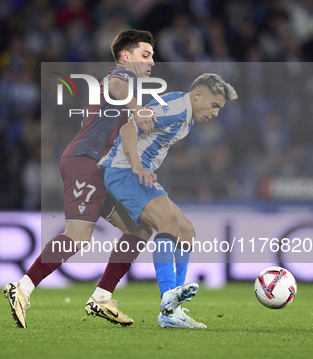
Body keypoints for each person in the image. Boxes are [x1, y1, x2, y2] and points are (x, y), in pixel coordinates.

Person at [3, 30, 156, 328]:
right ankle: (21, 289)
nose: (152, 60)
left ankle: (101, 297)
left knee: (140, 227)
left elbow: (123, 132)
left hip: (103, 170)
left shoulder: (129, 86)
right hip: (85, 162)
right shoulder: (120, 78)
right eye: (146, 54)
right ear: (126, 56)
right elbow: (116, 86)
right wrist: (137, 107)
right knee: (77, 235)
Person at [99, 73, 238, 328]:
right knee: (169, 223)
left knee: (186, 231)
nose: (216, 113)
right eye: (215, 105)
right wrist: (138, 166)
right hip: (124, 172)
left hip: (136, 175)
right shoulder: (176, 109)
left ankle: (171, 311)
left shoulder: (187, 117)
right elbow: (128, 128)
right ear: (198, 95)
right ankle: (167, 301)